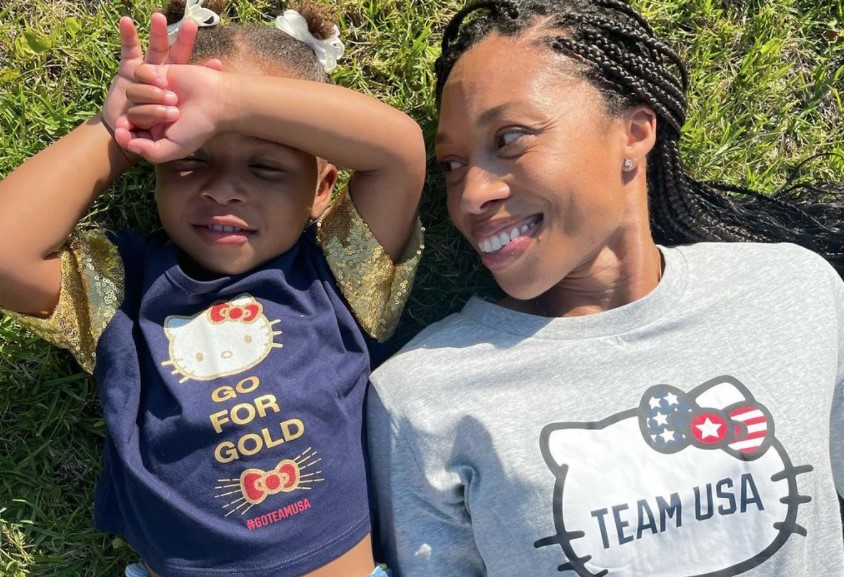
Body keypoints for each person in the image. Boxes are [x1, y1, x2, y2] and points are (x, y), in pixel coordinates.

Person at [366, 1, 844, 576]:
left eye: (510, 138)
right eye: (452, 164)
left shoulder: (794, 293)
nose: (470, 195)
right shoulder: (421, 399)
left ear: (634, 132)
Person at [0, 1, 425, 576]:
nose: (223, 189)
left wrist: (230, 101)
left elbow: (399, 153)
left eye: (266, 167)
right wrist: (116, 130)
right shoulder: (121, 295)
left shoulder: (339, 274)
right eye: (189, 160)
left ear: (322, 188)